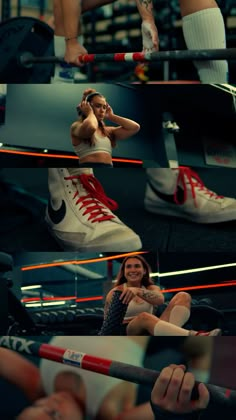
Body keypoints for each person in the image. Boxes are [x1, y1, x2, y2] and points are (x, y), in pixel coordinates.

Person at [104, 255, 222, 336]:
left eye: (137, 266)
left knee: (183, 296)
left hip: (151, 325)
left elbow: (159, 300)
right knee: (144, 316)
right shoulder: (116, 291)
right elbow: (108, 322)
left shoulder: (151, 288)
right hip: (127, 330)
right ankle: (195, 335)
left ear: (144, 271)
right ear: (124, 272)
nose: (133, 270)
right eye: (128, 267)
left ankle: (169, 336)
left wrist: (137, 291)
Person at [136, 0, 228, 83]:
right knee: (213, 83)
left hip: (200, 14)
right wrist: (147, 20)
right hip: (194, 16)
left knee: (217, 83)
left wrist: (147, 20)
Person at [71, 88, 140, 167]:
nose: (102, 110)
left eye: (104, 107)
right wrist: (89, 112)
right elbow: (92, 127)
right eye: (98, 106)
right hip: (89, 166)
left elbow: (134, 127)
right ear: (87, 106)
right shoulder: (76, 126)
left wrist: (111, 116)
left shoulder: (108, 131)